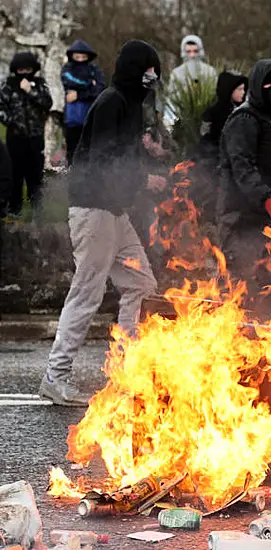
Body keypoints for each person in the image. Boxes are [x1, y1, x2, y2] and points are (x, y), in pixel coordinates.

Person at [41, 40, 164, 406]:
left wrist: (149, 155)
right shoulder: (113, 101)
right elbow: (105, 160)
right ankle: (56, 375)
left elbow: (124, 156)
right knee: (87, 291)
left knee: (142, 283)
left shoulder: (128, 106)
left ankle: (126, 372)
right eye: (148, 69)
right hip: (93, 210)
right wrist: (144, 181)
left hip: (114, 212)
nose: (152, 77)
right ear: (133, 69)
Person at [218, 59, 271, 301]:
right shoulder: (244, 119)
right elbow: (242, 166)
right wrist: (267, 199)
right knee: (243, 288)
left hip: (268, 218)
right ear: (259, 85)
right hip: (242, 219)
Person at [0, 52, 52, 216]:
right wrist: (12, 121)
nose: (24, 73)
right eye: (21, 70)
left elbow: (47, 103)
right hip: (15, 137)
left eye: (27, 69)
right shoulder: (7, 86)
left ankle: (37, 211)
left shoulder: (40, 84)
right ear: (15, 70)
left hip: (36, 137)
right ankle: (14, 210)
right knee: (15, 174)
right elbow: (1, 109)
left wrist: (30, 91)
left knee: (35, 175)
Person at [60, 40, 106, 166]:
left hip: (91, 119)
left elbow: (101, 88)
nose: (80, 60)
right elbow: (70, 82)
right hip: (72, 120)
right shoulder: (67, 70)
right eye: (77, 57)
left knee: (90, 153)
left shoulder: (95, 70)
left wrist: (79, 94)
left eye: (83, 57)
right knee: (72, 154)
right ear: (72, 56)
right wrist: (90, 84)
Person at [199, 71, 247, 161]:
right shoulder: (213, 112)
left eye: (244, 89)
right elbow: (205, 136)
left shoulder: (241, 111)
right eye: (240, 89)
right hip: (215, 159)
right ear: (229, 90)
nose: (243, 92)